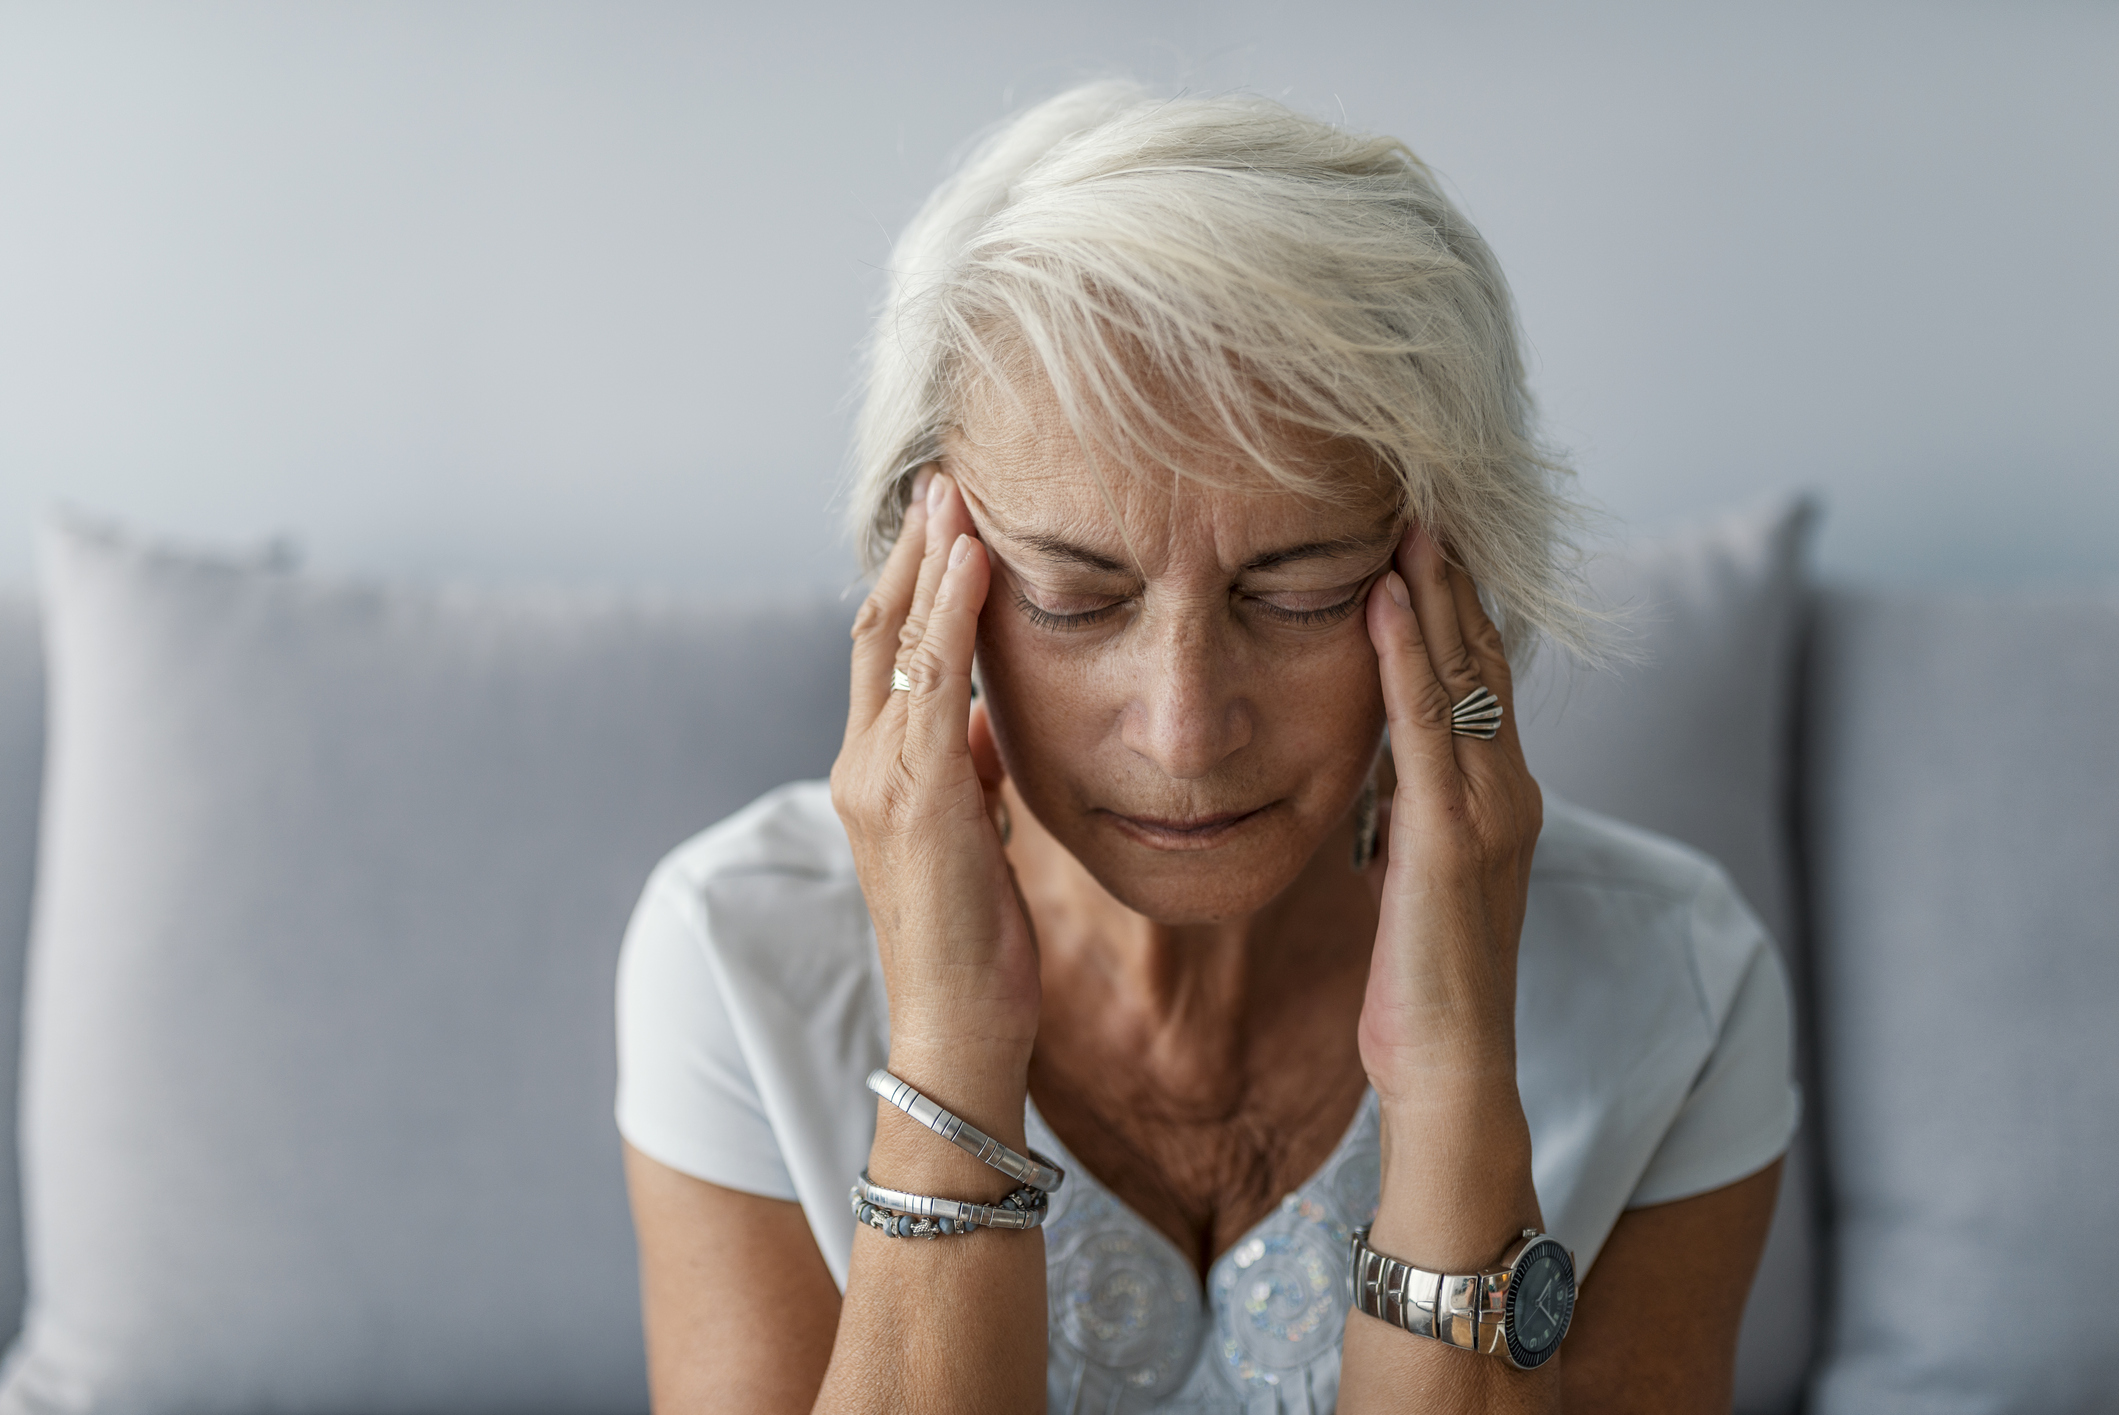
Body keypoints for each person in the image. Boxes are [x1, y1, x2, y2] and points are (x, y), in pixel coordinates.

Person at [615, 82, 1797, 1414]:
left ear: (1457, 582)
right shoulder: (737, 952)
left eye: (1298, 597)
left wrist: (1458, 1073)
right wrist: (951, 1045)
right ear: (920, 582)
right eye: (1073, 597)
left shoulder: (1680, 988)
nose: (1184, 729)